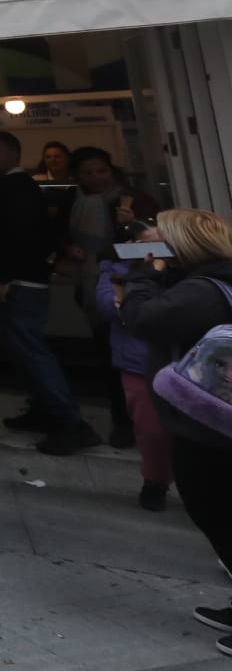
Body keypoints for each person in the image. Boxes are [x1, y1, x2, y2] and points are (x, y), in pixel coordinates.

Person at [119, 208, 232, 656]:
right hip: (212, 417)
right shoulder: (211, 282)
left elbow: (143, 319)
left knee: (216, 509)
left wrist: (145, 272)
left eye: (161, 240)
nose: (152, 248)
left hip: (210, 424)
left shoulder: (204, 292)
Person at [0, 130, 101, 454]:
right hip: (21, 279)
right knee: (24, 353)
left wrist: (4, 276)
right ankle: (44, 410)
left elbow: (23, 236)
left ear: (14, 155)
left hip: (22, 283)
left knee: (32, 352)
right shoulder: (10, 187)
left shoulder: (17, 188)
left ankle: (70, 422)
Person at [63, 146, 160, 449]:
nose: (95, 178)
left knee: (137, 356)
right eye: (87, 173)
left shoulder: (134, 199)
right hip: (91, 284)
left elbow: (156, 244)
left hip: (134, 286)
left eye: (101, 171)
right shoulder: (72, 199)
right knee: (108, 355)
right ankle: (123, 420)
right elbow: (58, 231)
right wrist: (67, 247)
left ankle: (147, 421)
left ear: (111, 169)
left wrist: (132, 224)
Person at [95, 220, 173, 510]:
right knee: (151, 431)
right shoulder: (115, 271)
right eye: (147, 245)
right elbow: (111, 307)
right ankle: (156, 480)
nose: (155, 252)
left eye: (162, 244)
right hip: (139, 362)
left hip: (182, 358)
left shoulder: (184, 272)